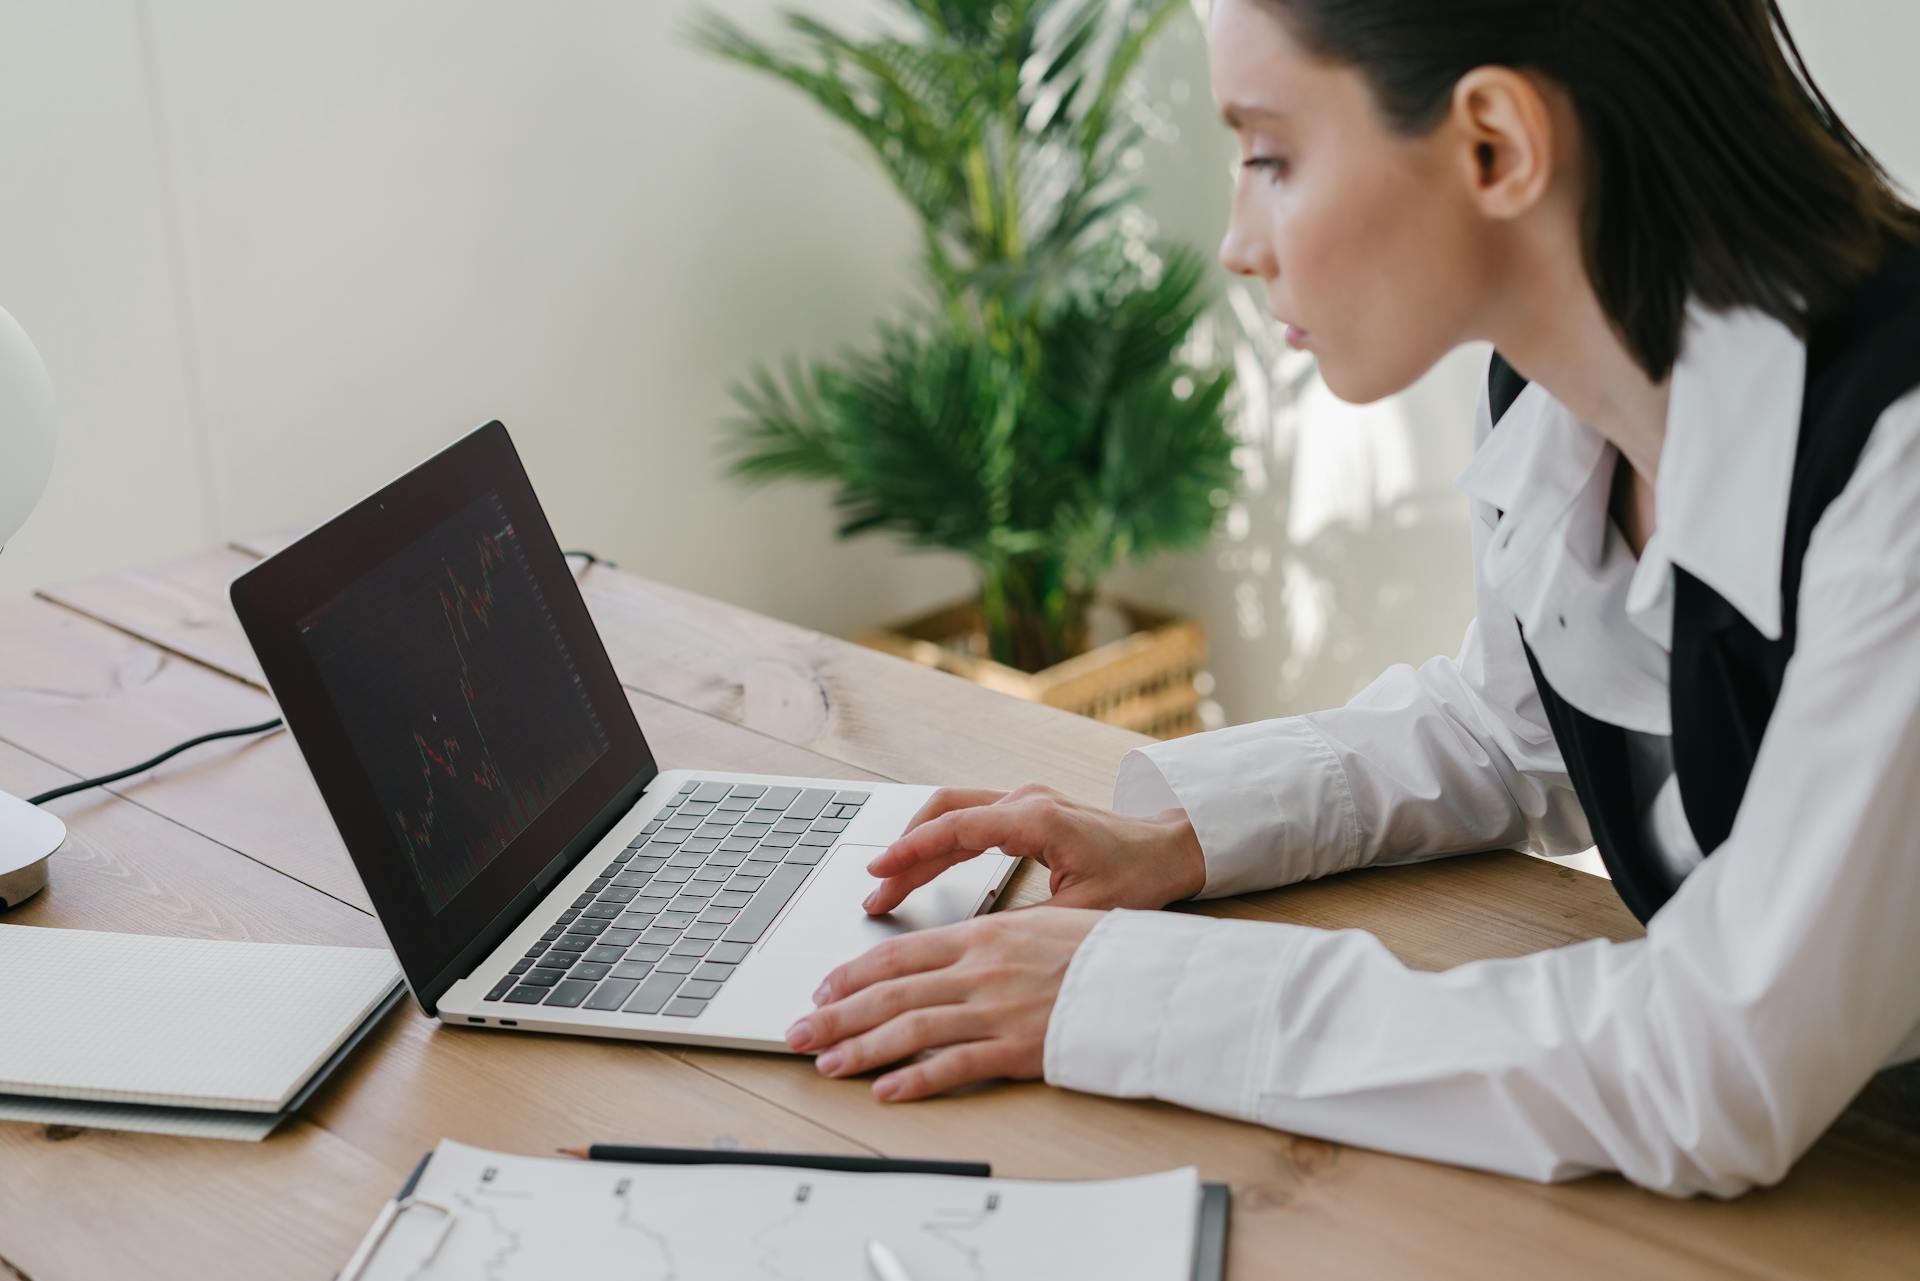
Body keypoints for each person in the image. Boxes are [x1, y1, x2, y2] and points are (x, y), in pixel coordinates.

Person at [781, 0, 1920, 1197]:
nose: (1236, 239)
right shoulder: (1556, 395)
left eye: (1271, 156)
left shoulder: (1895, 466)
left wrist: (1124, 992)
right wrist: (1182, 839)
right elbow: (1512, 729)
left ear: (1495, 145)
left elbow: (1710, 1066)